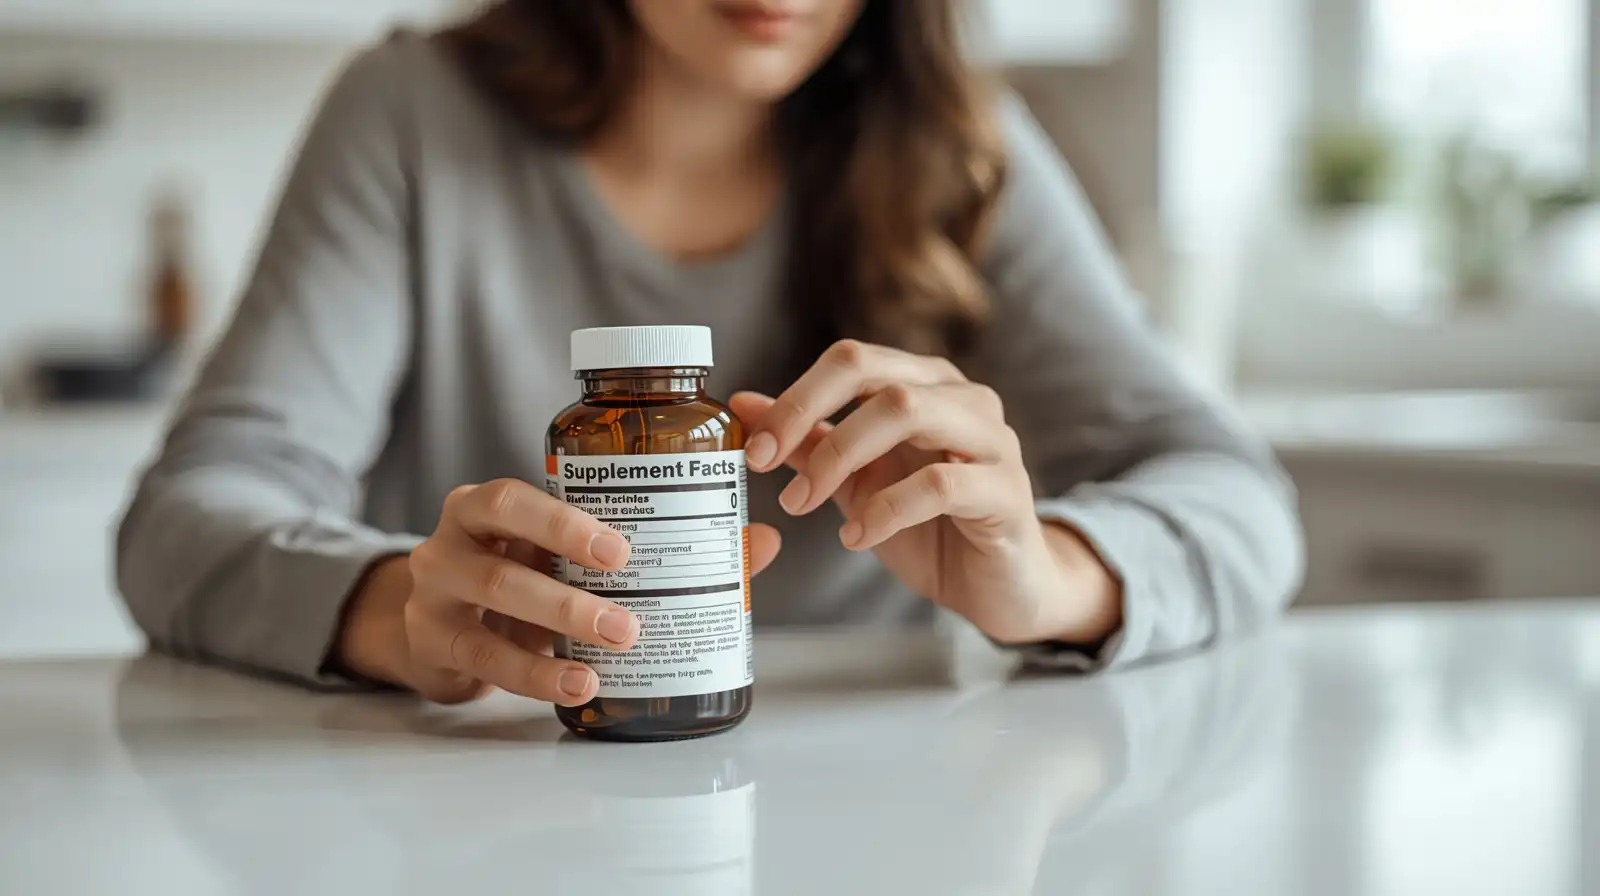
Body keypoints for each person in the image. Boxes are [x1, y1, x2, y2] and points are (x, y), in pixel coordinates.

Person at [116, 0, 1304, 706]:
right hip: (495, 801)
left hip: (884, 796)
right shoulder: (410, 114)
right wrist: (404, 612)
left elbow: (1237, 495)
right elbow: (185, 516)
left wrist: (1049, 582)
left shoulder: (960, 149)